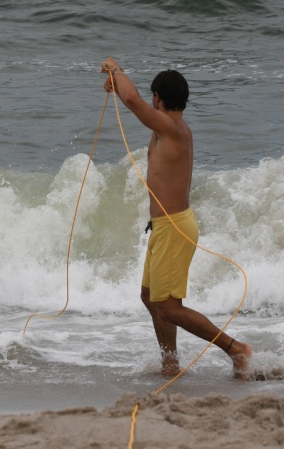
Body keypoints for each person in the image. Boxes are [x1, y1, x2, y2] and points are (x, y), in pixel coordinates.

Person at [100, 58, 253, 378]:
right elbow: (132, 99)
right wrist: (117, 85)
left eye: (153, 97)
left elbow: (132, 99)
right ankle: (169, 361)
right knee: (150, 297)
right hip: (163, 226)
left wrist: (116, 70)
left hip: (174, 227)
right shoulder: (169, 128)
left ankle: (236, 349)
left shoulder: (171, 128)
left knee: (169, 307)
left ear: (158, 97)